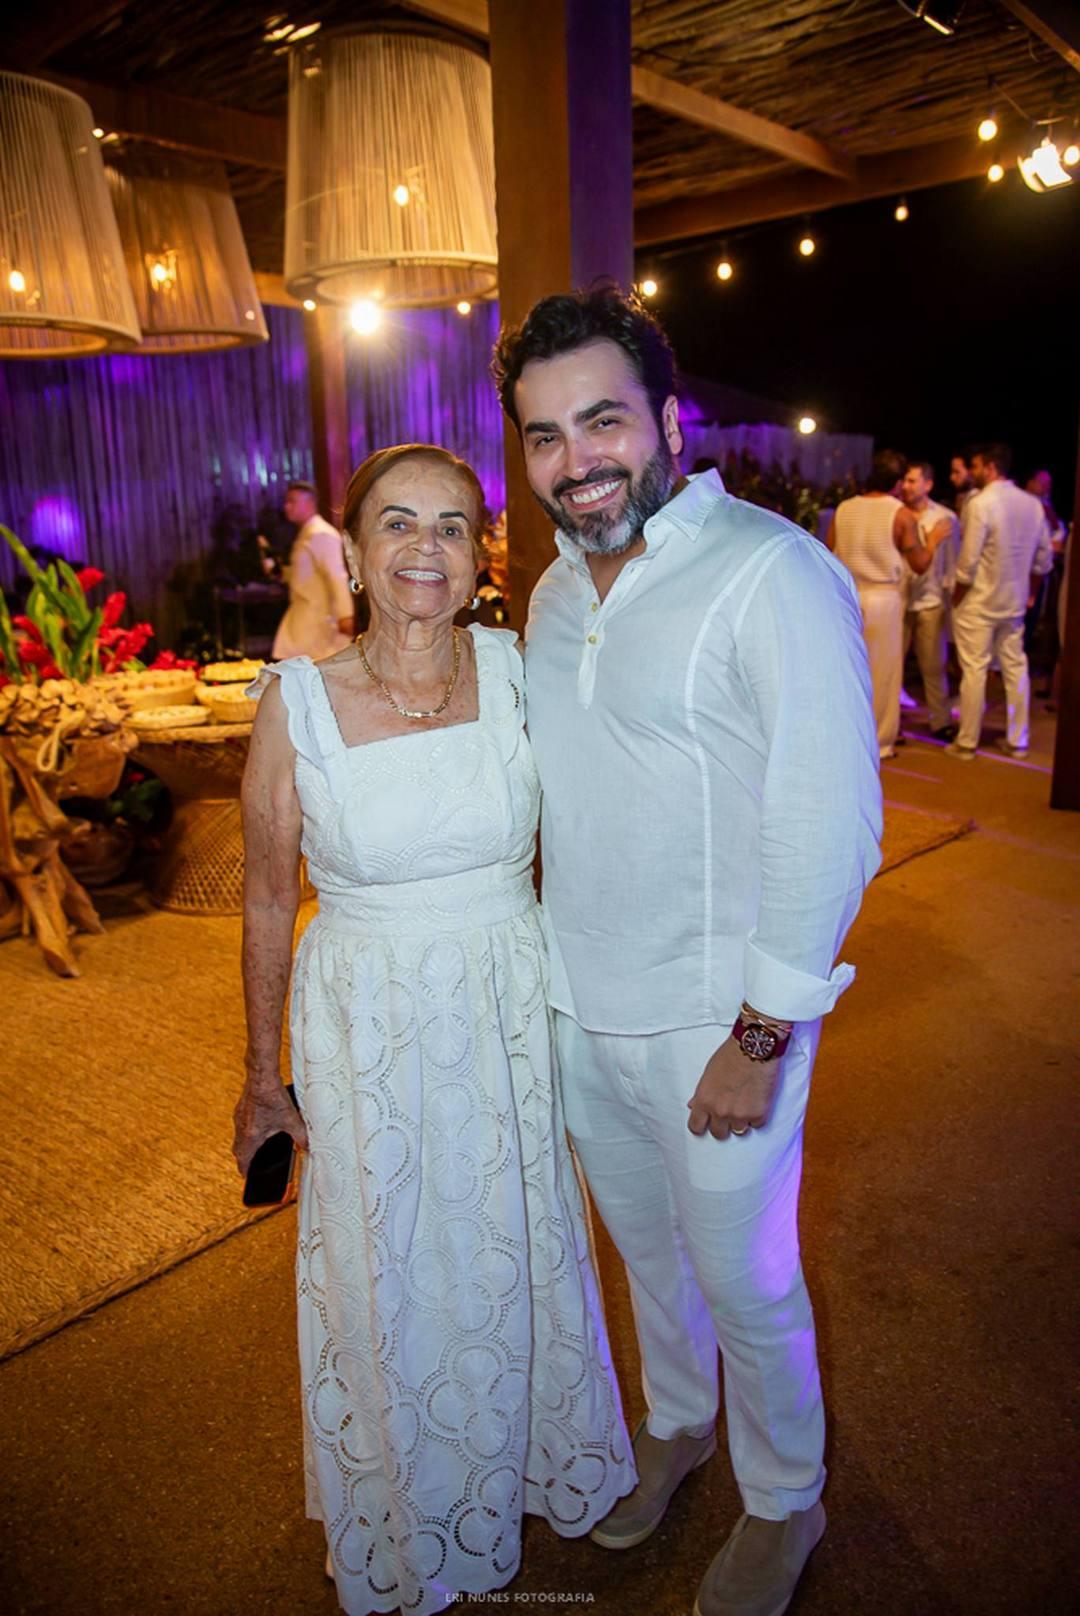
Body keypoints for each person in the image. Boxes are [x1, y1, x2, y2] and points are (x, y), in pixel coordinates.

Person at [491, 289, 882, 1616]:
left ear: (669, 419)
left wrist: (763, 1032)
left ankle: (787, 1495)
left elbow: (830, 822)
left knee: (746, 1278)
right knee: (646, 1256)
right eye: (546, 435)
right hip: (581, 1007)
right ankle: (676, 1423)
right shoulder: (551, 593)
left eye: (603, 420)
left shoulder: (774, 571)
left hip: (722, 1025)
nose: (577, 459)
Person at [233, 444, 634, 1616]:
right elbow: (267, 897)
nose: (426, 547)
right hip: (366, 1022)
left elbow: (611, 808)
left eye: (453, 525)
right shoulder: (296, 701)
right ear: (354, 553)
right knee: (391, 1257)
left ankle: (525, 1458)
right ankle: (411, 1503)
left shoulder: (517, 668)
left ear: (480, 555)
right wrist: (259, 1074)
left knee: (515, 1228)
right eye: (398, 522)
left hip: (507, 1001)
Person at [827, 450, 943, 760]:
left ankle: (846, 733)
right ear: (897, 482)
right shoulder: (900, 514)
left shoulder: (845, 508)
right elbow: (919, 564)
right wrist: (933, 540)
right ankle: (878, 741)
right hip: (884, 599)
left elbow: (829, 550)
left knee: (849, 668)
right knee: (883, 674)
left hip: (848, 595)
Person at [947, 442, 1053, 760]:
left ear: (991, 467)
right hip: (1014, 602)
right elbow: (1043, 560)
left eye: (976, 466)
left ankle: (967, 740)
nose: (973, 472)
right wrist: (1030, 592)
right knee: (1015, 667)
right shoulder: (1032, 505)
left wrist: (957, 597)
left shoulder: (981, 503)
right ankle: (1018, 739)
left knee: (974, 669)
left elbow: (968, 562)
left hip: (979, 601)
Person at [899, 460, 959, 738]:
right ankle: (889, 722)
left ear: (928, 484)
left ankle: (940, 721)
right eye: (905, 481)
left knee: (933, 665)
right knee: (892, 665)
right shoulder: (896, 513)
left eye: (913, 481)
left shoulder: (944, 517)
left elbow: (951, 563)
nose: (907, 486)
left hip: (930, 599)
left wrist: (950, 600)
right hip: (900, 597)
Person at [263, 479, 355, 660]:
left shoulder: (321, 533)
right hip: (304, 618)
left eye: (292, 501)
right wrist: (280, 573)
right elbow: (303, 575)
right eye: (286, 502)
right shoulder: (307, 533)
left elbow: (335, 575)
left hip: (318, 620)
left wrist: (346, 615)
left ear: (310, 503)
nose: (287, 507)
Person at [949, 452, 975, 520]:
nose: (952, 478)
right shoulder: (961, 497)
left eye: (956, 472)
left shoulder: (977, 501)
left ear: (971, 471)